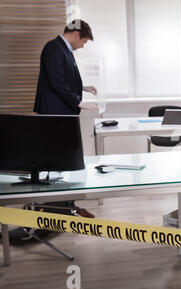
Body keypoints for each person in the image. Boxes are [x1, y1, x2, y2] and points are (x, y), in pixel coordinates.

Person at [34, 20, 98, 218]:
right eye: (85, 41)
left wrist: (83, 87)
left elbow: (65, 78)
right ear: (77, 34)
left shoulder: (63, 49)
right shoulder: (54, 48)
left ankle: (67, 206)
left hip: (62, 112)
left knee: (65, 160)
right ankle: (58, 208)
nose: (83, 45)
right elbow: (56, 81)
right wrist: (78, 102)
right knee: (57, 160)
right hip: (55, 113)